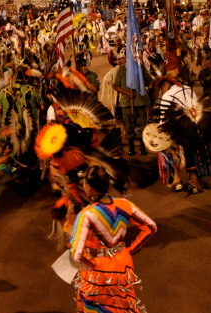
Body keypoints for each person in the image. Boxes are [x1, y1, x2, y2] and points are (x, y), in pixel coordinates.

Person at [70, 165, 157, 313]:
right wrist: (129, 249)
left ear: (90, 187)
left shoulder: (86, 215)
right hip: (122, 264)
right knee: (122, 305)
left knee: (99, 308)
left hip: (99, 271)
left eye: (83, 182)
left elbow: (76, 255)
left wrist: (90, 266)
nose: (82, 185)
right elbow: (151, 227)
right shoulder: (125, 204)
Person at [113, 50, 149, 156]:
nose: (126, 59)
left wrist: (139, 81)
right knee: (129, 125)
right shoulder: (120, 70)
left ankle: (143, 146)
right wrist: (127, 93)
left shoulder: (140, 68)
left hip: (140, 101)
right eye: (125, 58)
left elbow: (148, 80)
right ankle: (131, 147)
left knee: (142, 125)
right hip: (127, 103)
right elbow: (115, 86)